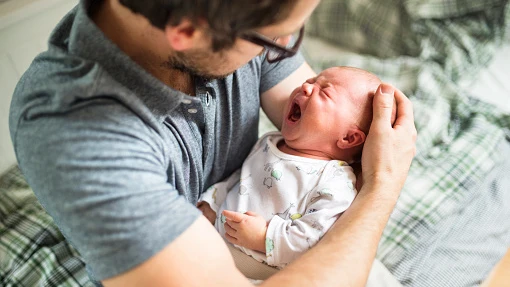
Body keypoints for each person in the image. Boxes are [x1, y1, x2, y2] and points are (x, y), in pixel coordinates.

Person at [9, 0, 417, 286]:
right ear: (187, 33)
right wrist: (383, 186)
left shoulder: (228, 19)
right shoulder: (77, 135)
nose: (286, 54)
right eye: (275, 39)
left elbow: (325, 138)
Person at [197, 66, 396, 271]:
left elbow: (313, 239)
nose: (306, 87)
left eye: (325, 92)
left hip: (260, 270)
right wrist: (214, 201)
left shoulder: (335, 181)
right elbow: (242, 180)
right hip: (212, 245)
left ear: (348, 138)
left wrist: (264, 237)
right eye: (311, 80)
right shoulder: (270, 142)